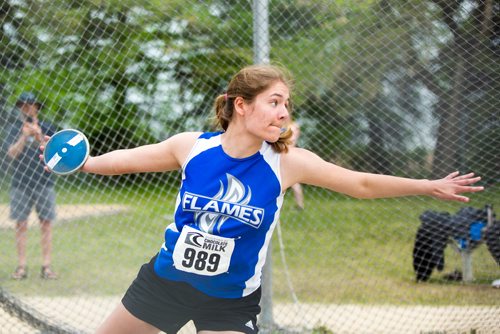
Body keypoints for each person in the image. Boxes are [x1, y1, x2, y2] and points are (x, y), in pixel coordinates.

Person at [41, 65, 483, 334]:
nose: (284, 112)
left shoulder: (288, 163)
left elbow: (360, 185)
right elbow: (127, 161)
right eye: (274, 102)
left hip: (229, 301)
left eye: (286, 103)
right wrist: (82, 162)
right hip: (165, 284)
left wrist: (427, 185)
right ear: (241, 106)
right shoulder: (192, 147)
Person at [6, 91, 58, 280]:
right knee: (21, 224)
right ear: (20, 108)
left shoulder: (47, 126)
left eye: (31, 104)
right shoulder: (13, 128)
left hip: (44, 181)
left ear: (37, 106)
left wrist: (38, 136)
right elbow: (11, 153)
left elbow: (55, 154)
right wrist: (23, 136)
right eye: (23, 105)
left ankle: (46, 266)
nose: (27, 108)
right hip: (20, 182)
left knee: (46, 223)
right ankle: (21, 266)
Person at [289, 121, 304, 210]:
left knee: (294, 183)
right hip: (288, 153)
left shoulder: (291, 126)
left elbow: (291, 141)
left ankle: (300, 204)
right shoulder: (293, 125)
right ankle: (299, 204)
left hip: (288, 154)